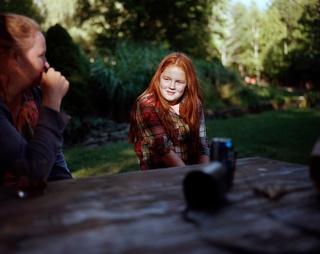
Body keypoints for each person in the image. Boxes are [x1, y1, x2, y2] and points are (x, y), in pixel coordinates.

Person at [0, 13, 72, 185]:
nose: (47, 64)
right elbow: (33, 172)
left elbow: (56, 169)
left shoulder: (33, 96)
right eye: (41, 55)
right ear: (15, 57)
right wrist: (52, 104)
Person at [128, 52, 210, 170]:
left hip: (191, 174)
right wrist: (190, 176)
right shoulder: (147, 104)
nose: (171, 86)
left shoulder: (194, 103)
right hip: (158, 177)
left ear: (188, 84)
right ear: (159, 78)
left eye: (179, 82)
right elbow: (163, 149)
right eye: (167, 79)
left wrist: (203, 174)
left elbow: (202, 144)